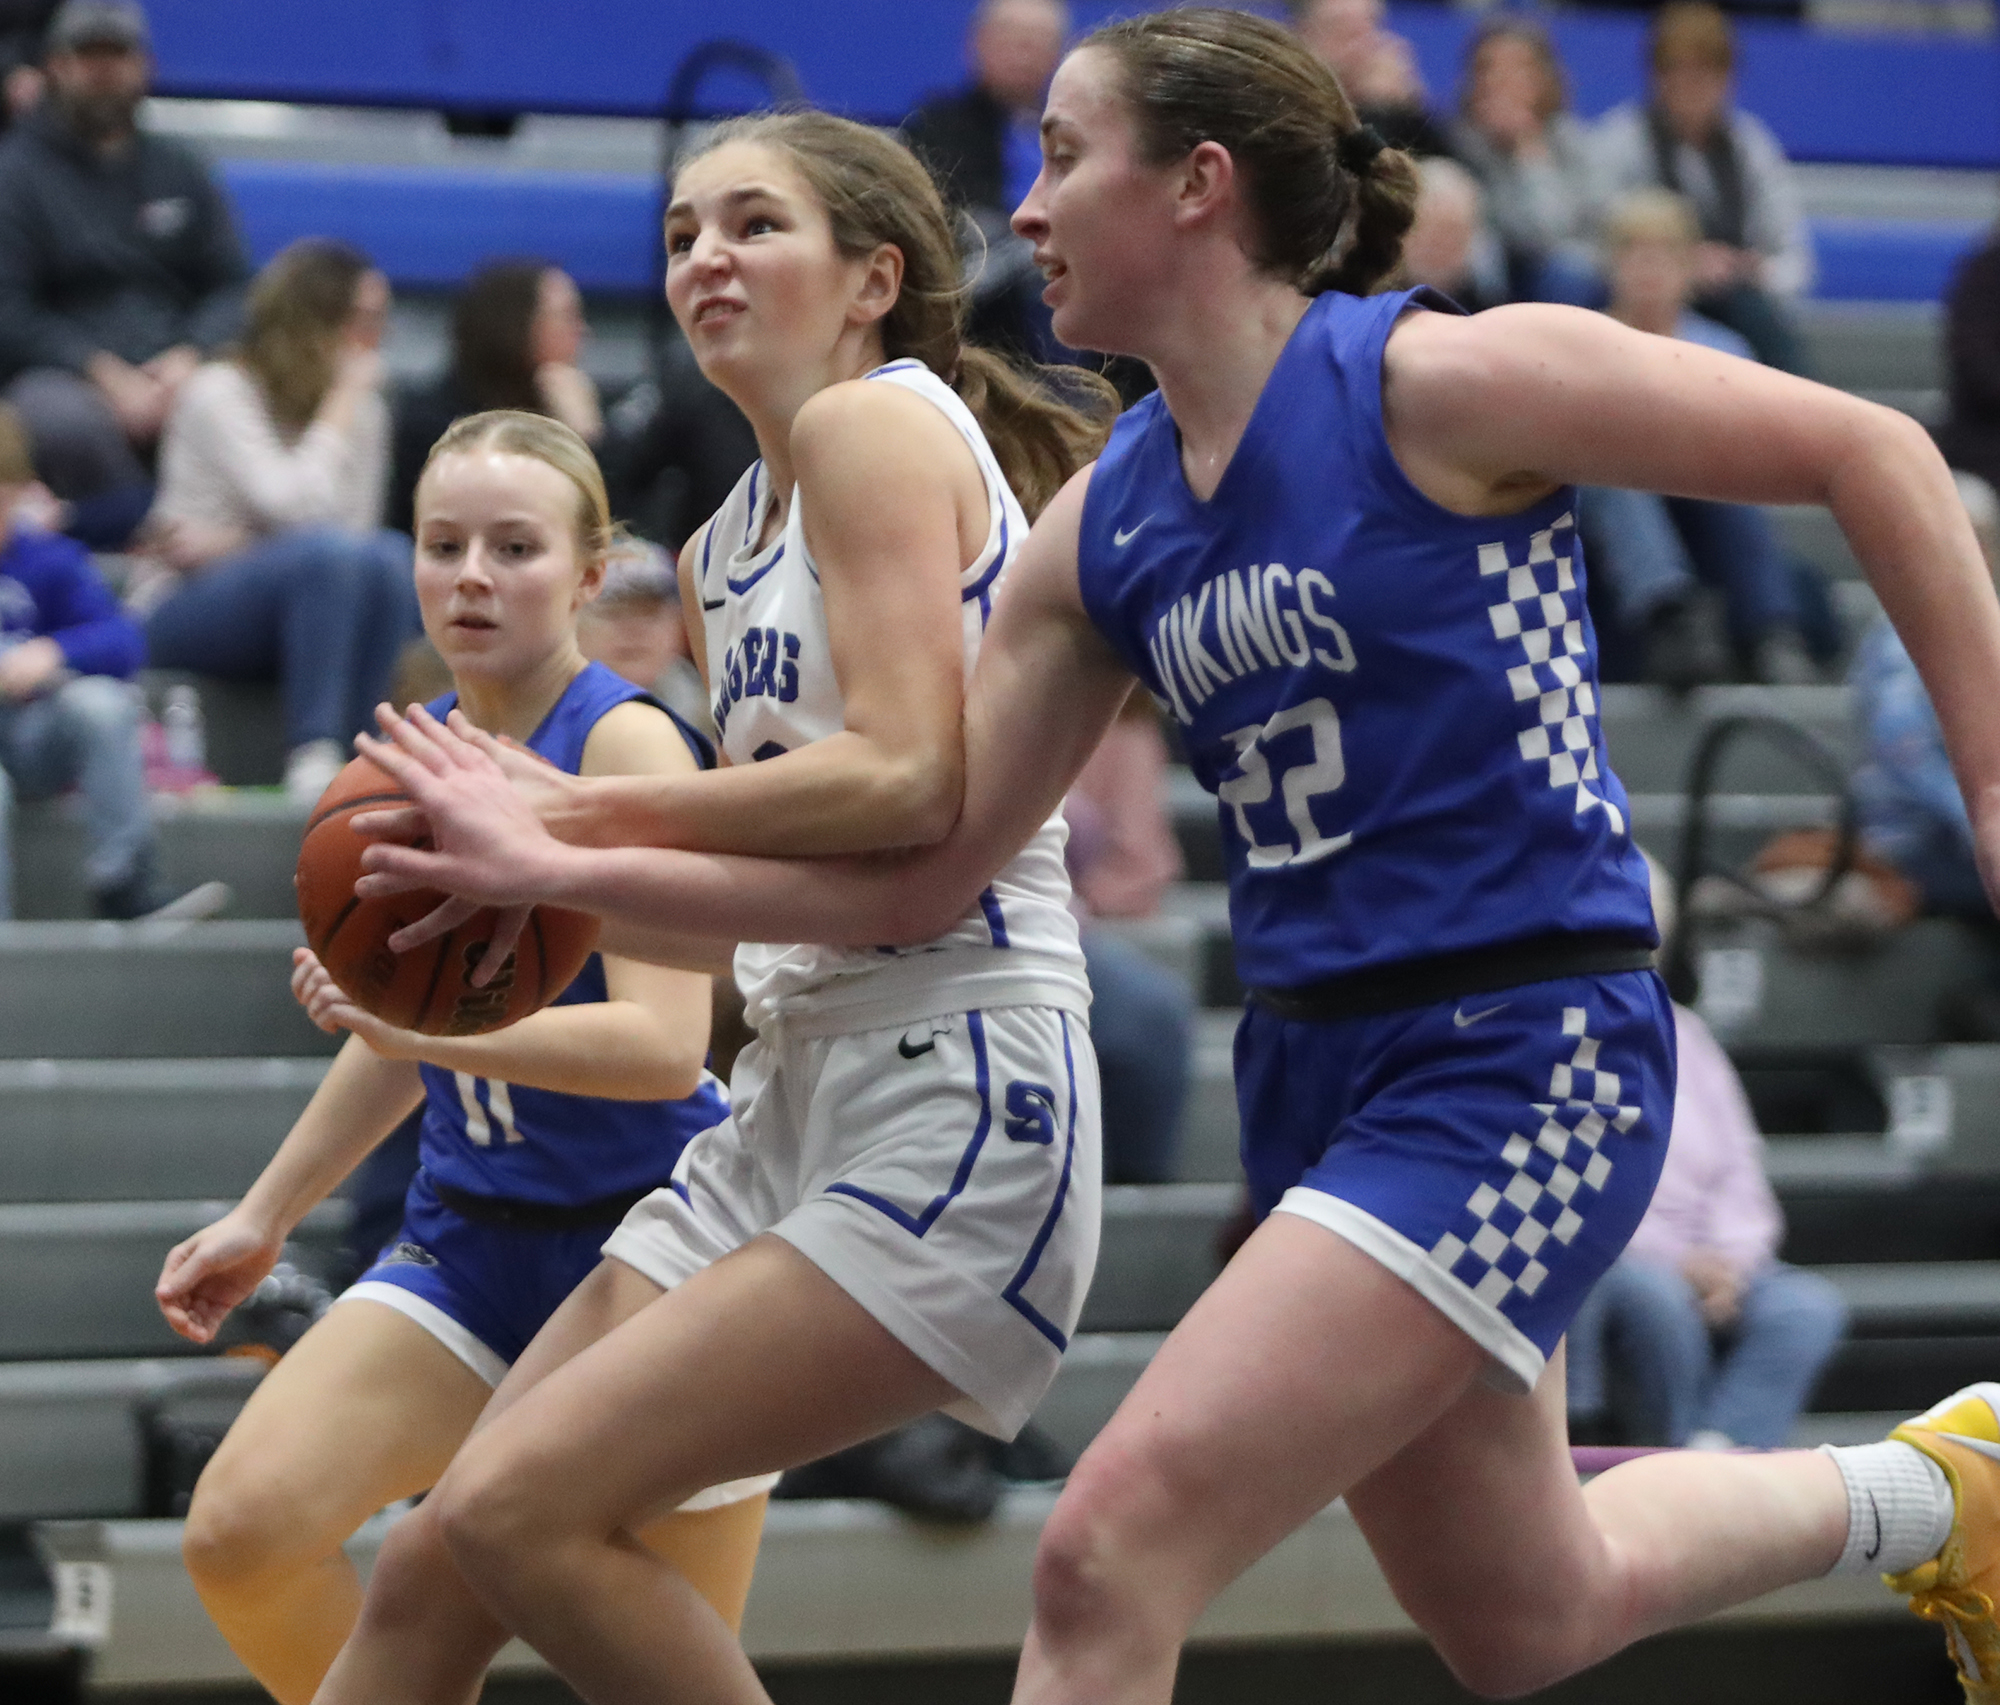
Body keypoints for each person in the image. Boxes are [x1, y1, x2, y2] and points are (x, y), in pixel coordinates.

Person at [334, 14, 2000, 1704]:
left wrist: (1992, 791)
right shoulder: (1105, 525)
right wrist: (558, 864)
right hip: (1315, 1066)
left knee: (1106, 1558)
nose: (1025, 209)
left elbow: (1870, 451)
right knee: (1524, 1614)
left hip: (1521, 1046)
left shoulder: (1434, 380)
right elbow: (916, 875)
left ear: (1199, 185)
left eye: (1064, 159)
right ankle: (1938, 1493)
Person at [309, 111, 1116, 1705]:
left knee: (514, 1509)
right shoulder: (719, 548)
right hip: (797, 1083)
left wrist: (566, 819)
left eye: (755, 224)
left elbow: (907, 780)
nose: (705, 259)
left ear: (872, 278)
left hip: (959, 1079)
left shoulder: (877, 427)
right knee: (435, 1560)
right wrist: (501, 920)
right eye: (683, 233)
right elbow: (763, 909)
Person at [152, 408, 766, 1705]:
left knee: (663, 1677)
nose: (472, 575)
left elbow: (663, 1049)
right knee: (241, 1535)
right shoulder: (413, 751)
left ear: (587, 575)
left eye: (513, 547)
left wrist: (422, 1027)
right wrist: (268, 1213)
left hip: (650, 1247)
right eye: (444, 545)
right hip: (470, 1237)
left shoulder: (624, 740)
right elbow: (407, 1034)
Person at [1568, 860, 1847, 1450]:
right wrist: (1677, 1262)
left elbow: (1739, 1165)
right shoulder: (1562, 1037)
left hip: (1716, 1257)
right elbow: (1577, 1183)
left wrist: (1732, 1264)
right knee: (1656, 1300)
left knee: (1805, 1307)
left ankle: (1719, 1454)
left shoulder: (1689, 1036)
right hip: (1619, 1257)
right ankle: (1675, 1456)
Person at [131, 238, 417, 804]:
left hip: (304, 598)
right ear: (312, 318)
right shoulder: (220, 390)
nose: (375, 338)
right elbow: (291, 506)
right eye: (363, 319)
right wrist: (341, 403)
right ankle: (313, 751)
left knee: (390, 556)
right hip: (181, 605)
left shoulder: (364, 411)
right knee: (327, 555)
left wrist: (235, 541)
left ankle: (368, 755)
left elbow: (356, 535)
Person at [0, 1, 246, 503]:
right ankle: (141, 527)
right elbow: (10, 311)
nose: (104, 72)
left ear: (145, 65)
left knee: (230, 398)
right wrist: (99, 371)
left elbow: (234, 286)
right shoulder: (16, 176)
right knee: (62, 421)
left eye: (117, 56)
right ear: (55, 66)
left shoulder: (181, 167)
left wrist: (191, 355)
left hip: (175, 362)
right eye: (88, 56)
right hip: (65, 373)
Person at [1577, 190, 1819, 686]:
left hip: (1702, 509)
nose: (1649, 271)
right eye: (1635, 255)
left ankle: (1770, 632)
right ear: (1611, 266)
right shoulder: (1581, 342)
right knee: (1613, 472)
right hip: (1602, 520)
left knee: (1728, 475)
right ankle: (1670, 618)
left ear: (1688, 269)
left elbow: (1757, 448)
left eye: (1663, 257)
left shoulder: (1724, 348)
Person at [0, 400, 225, 920]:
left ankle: (124, 884)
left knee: (101, 704)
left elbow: (124, 640)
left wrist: (52, 651)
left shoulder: (47, 558)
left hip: (32, 733)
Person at [1591, 2, 1812, 375]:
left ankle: (1798, 409)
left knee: (1761, 318)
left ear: (1728, 79)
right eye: (1678, 71)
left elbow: (1795, 261)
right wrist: (1676, 261)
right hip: (1636, 288)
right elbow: (1595, 234)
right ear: (1656, 77)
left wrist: (1749, 270)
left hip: (1730, 298)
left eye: (1704, 74)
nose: (1690, 87)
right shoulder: (1619, 141)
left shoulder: (1751, 147)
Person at [1065, 694, 1193, 1185]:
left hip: (1055, 928)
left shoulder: (1122, 713)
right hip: (955, 922)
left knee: (1150, 1015)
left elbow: (1140, 867)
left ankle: (1129, 1198)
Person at [903, 0, 1070, 361]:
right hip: (989, 298)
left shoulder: (1080, 129)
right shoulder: (939, 125)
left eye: (1038, 41)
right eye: (1012, 38)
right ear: (976, 44)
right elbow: (959, 213)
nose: (1024, 53)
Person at [387, 262, 603, 534]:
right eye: (567, 316)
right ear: (514, 325)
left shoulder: (566, 403)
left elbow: (609, 529)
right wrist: (580, 441)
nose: (583, 331)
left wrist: (586, 435)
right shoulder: (433, 420)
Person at [1448, 19, 1604, 305]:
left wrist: (1526, 151)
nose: (1502, 80)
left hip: (1544, 277)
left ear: (1545, 79)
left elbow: (1547, 235)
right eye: (1490, 68)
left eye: (1518, 68)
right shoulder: (1455, 141)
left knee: (1570, 273)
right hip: (1479, 277)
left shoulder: (1569, 142)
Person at [1289, 0, 1451, 161]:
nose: (1362, 44)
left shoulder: (1398, 101)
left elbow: (1447, 159)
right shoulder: (1288, 101)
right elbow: (1348, 167)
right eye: (1343, 29)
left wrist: (1408, 109)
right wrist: (1374, 108)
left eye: (1369, 25)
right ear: (1303, 33)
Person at [1392, 155, 1508, 315]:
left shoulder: (1490, 306)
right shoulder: (1378, 307)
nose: (1440, 244)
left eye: (1452, 232)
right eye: (1430, 231)